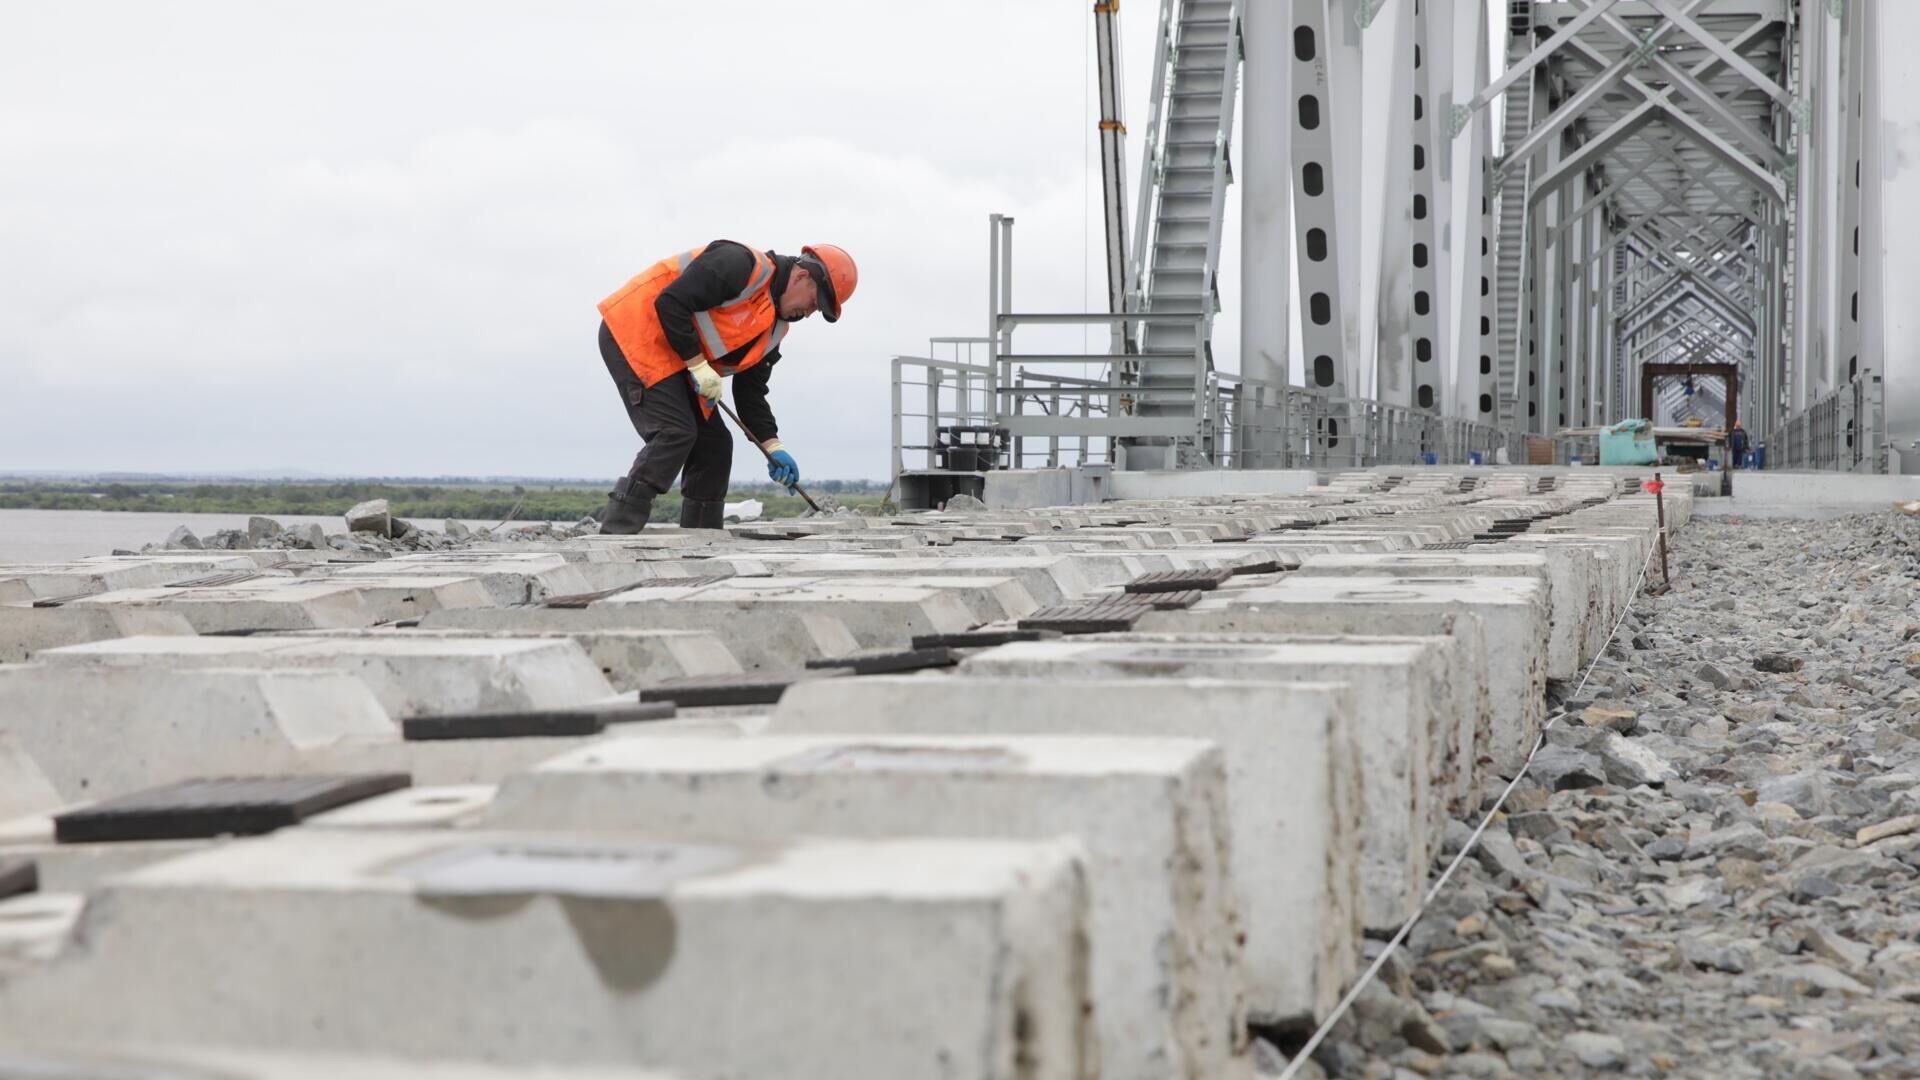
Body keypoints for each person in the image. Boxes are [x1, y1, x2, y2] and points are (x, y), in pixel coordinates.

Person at [593, 241, 857, 533]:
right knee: (675, 432)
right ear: (802, 276)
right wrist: (697, 365)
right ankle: (616, 532)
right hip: (636, 333)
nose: (808, 314)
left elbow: (750, 392)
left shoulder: (774, 331)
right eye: (813, 303)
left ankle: (701, 540)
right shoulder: (739, 265)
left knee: (716, 446)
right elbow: (671, 302)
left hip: (679, 358)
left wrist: (772, 445)